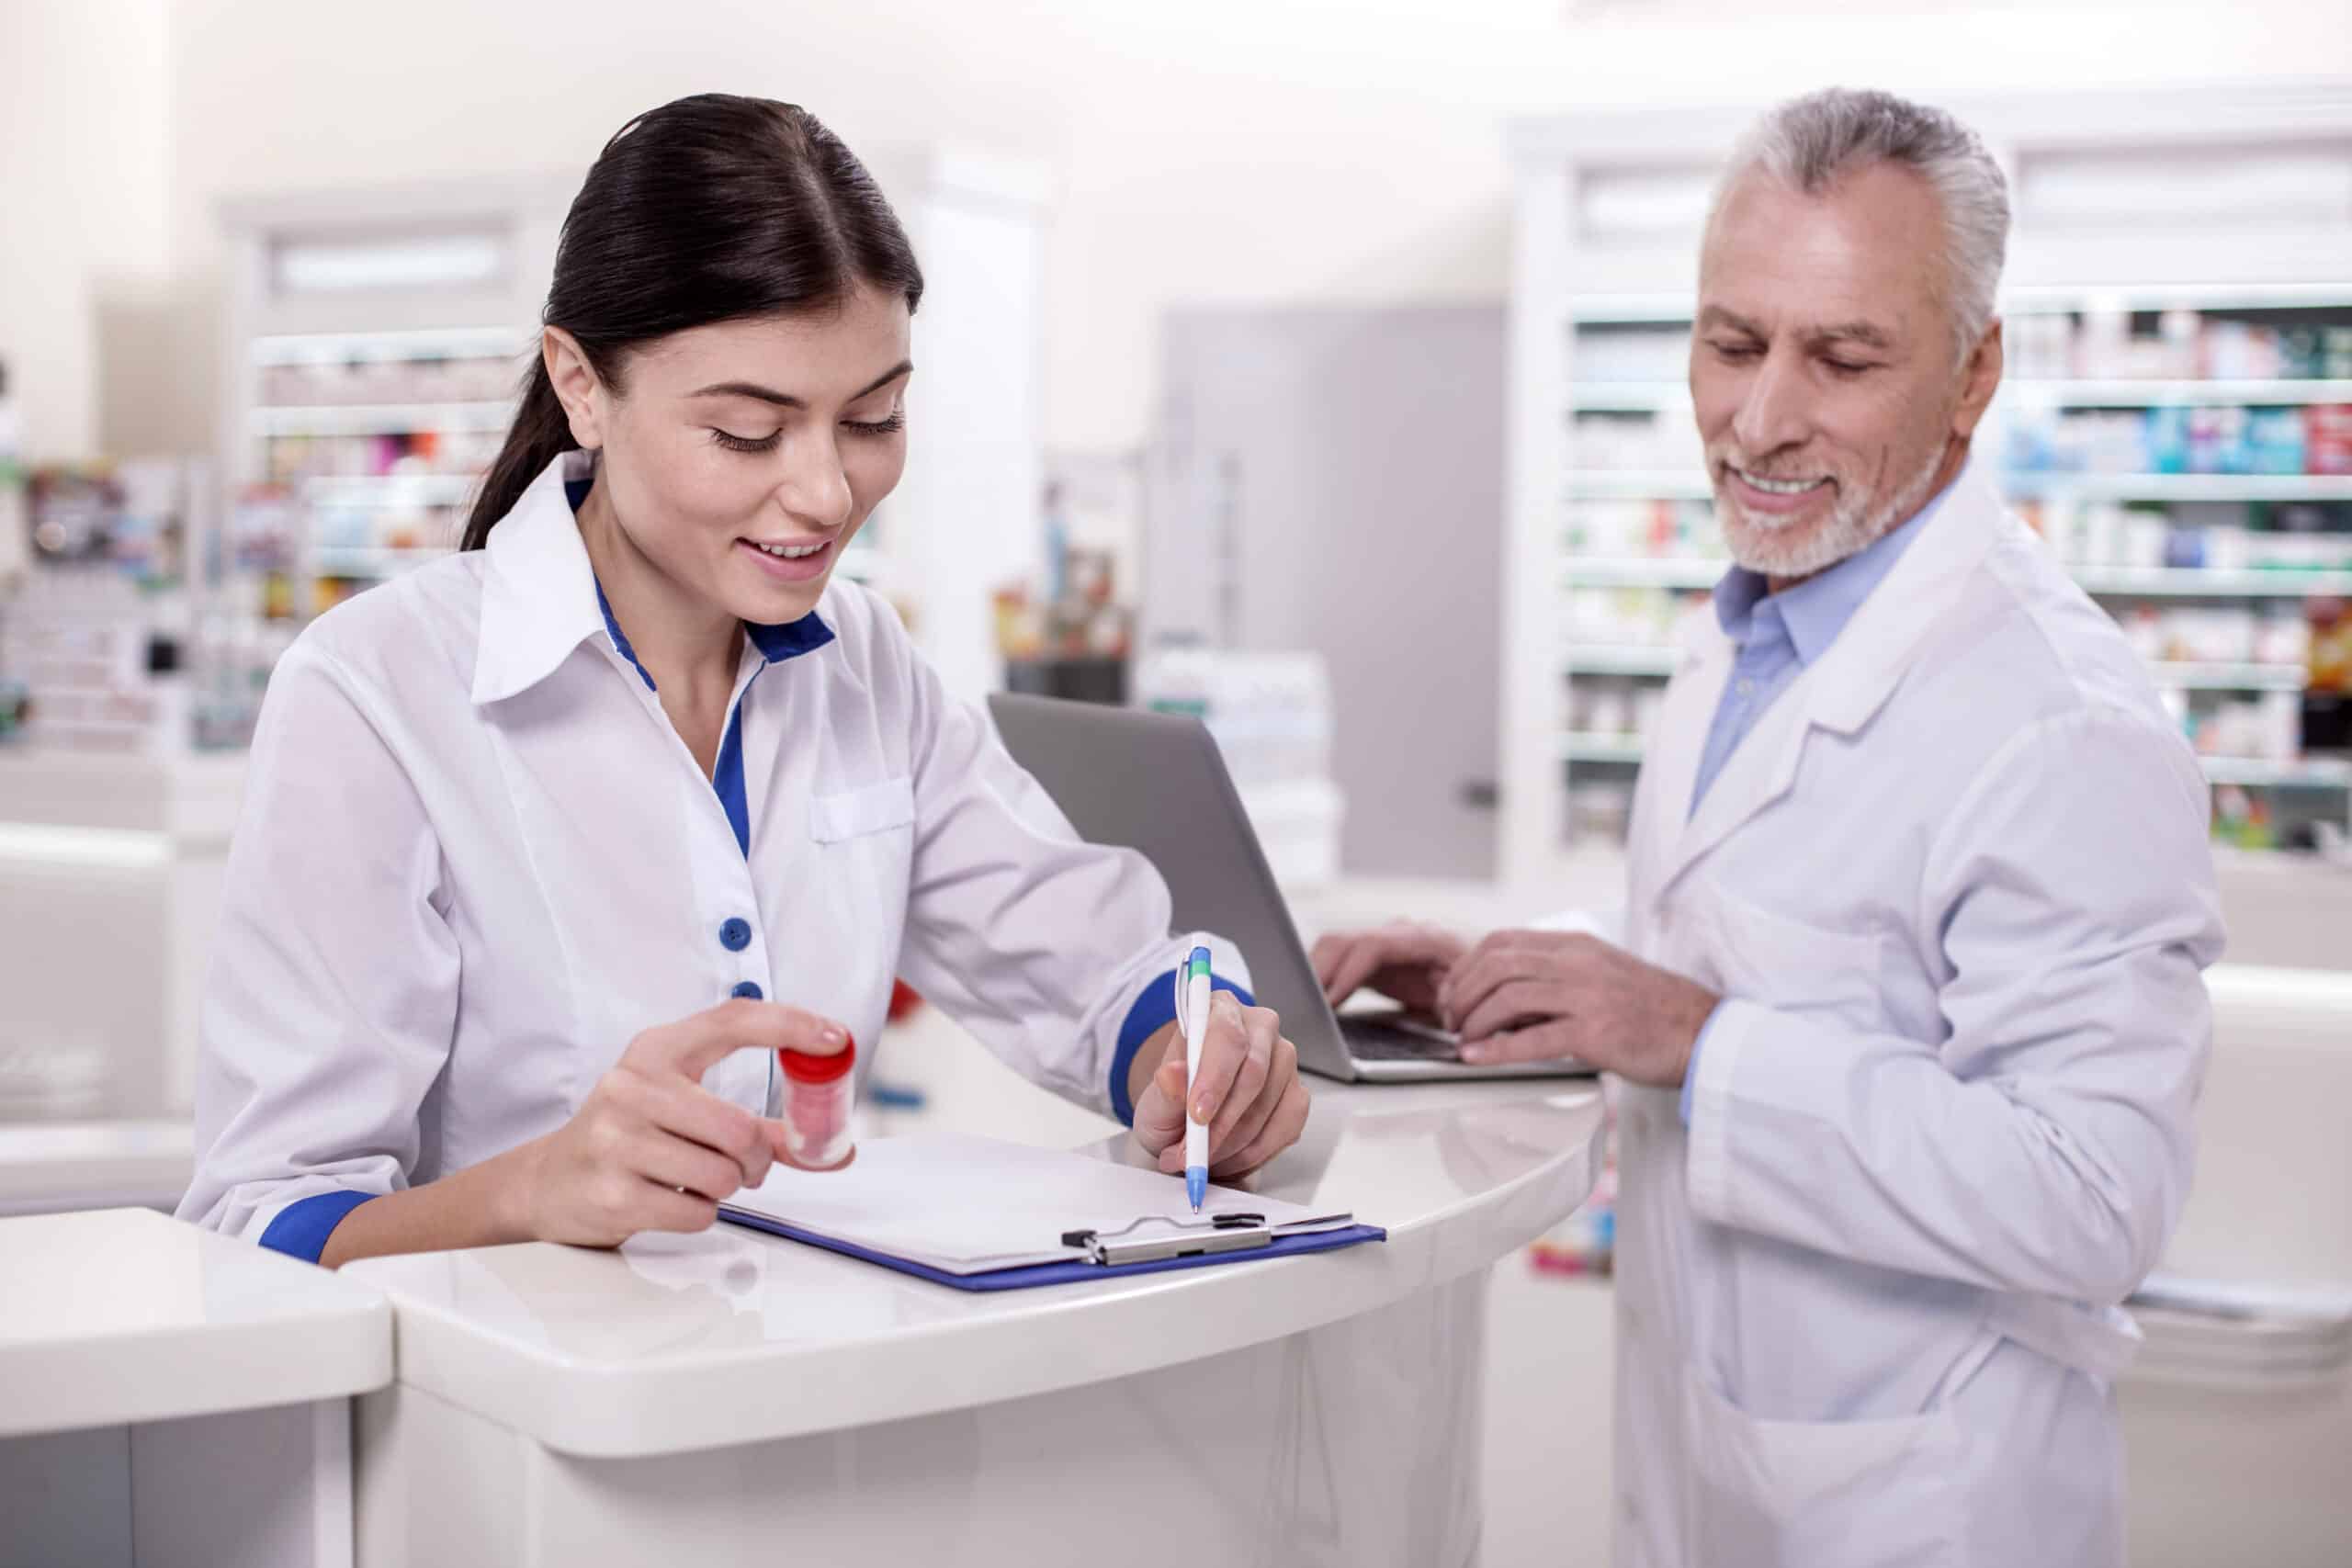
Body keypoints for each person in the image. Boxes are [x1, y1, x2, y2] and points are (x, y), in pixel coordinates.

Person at [1315, 88, 2222, 1566]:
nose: (1759, 417)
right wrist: (1537, 981)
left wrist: (1691, 1033)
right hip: (1717, 1472)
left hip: (1923, 1509)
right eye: (1730, 342)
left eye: (1843, 356)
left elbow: (2095, 1192)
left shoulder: (2063, 721)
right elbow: (1772, 957)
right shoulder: (1749, 630)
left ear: (1973, 370)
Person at [180, 95, 1308, 1269]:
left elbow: (1088, 965)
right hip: (502, 1426)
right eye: (746, 435)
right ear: (579, 384)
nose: (826, 492)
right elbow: (257, 1220)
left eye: (872, 417)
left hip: (794, 1387)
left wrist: (1189, 1062)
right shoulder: (377, 693)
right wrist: (535, 1189)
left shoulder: (863, 662)